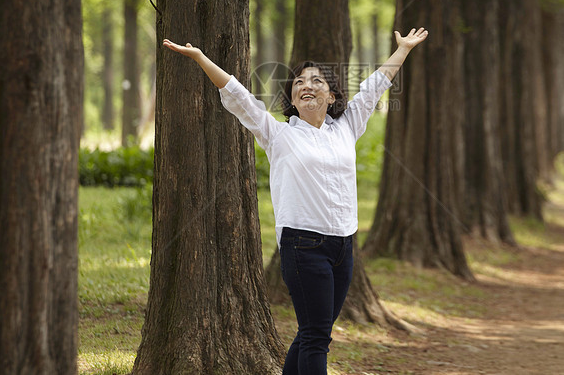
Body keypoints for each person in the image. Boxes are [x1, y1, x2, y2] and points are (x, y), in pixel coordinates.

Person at [162, 27, 428, 375]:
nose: (307, 85)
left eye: (317, 81)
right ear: (292, 96)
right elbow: (238, 95)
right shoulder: (279, 134)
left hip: (343, 247)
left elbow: (375, 85)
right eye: (300, 82)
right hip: (303, 248)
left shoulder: (347, 127)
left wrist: (403, 50)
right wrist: (200, 58)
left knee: (311, 334)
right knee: (317, 337)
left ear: (332, 96)